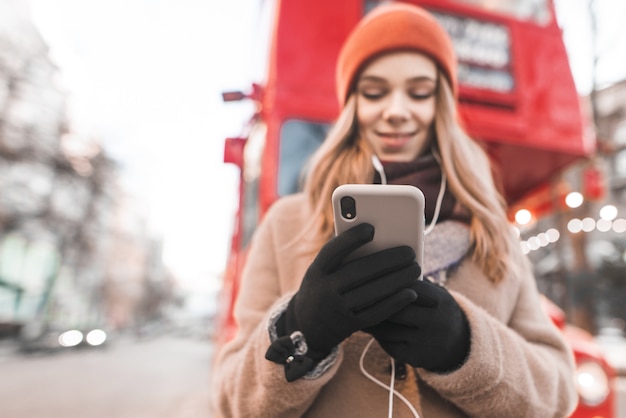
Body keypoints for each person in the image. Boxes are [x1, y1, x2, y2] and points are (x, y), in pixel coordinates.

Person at [210, 2, 578, 417]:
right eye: (374, 92)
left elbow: (558, 396)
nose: (397, 111)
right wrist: (300, 331)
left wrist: (465, 346)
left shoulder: (490, 230)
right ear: (353, 105)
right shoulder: (287, 224)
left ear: (441, 104)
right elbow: (232, 403)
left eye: (419, 93)